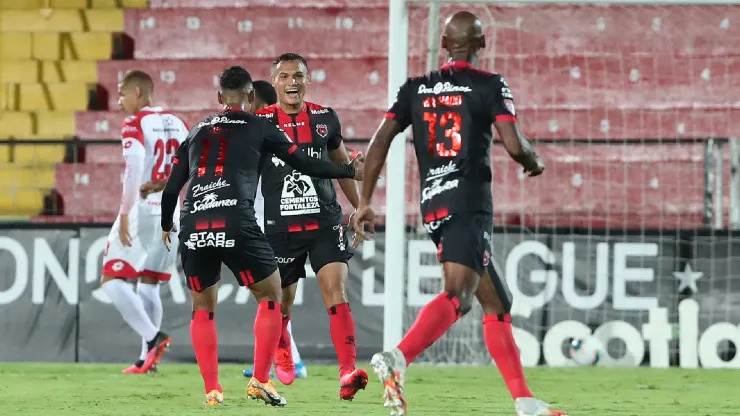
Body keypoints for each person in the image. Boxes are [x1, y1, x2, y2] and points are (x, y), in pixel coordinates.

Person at [351, 11, 567, 416]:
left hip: (433, 202)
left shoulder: (415, 88)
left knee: (497, 303)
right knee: (458, 296)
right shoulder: (489, 85)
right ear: (482, 45)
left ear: (445, 45)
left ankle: (524, 401)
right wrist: (533, 159)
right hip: (468, 201)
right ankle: (398, 358)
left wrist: (364, 200)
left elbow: (379, 141)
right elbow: (513, 143)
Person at [158, 65, 363, 406]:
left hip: (194, 221)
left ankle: (212, 391)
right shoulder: (260, 124)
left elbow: (171, 189)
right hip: (239, 219)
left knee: (202, 308)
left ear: (219, 98)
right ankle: (261, 379)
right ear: (253, 97)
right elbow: (306, 164)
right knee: (271, 296)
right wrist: (348, 170)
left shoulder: (196, 129)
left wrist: (167, 224)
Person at [251, 53, 368, 400]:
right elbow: (248, 174)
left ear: (308, 79)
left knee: (336, 291)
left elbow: (343, 163)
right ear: (274, 82)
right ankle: (282, 342)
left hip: (324, 221)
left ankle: (347, 372)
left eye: (298, 76)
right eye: (284, 76)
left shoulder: (324, 118)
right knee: (281, 305)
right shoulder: (260, 123)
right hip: (280, 228)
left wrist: (360, 207)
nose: (292, 82)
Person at [99, 70, 189, 375]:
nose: (119, 101)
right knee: (149, 285)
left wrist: (125, 214)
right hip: (172, 213)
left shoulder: (135, 122)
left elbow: (135, 166)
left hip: (142, 209)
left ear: (138, 93)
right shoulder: (180, 122)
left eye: (122, 94)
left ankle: (152, 339)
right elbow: (189, 168)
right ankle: (146, 359)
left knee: (112, 280)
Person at [244, 80, 308, 380]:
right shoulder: (271, 132)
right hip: (269, 220)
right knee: (271, 296)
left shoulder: (261, 131)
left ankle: (288, 359)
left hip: (270, 222)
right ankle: (280, 358)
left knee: (272, 296)